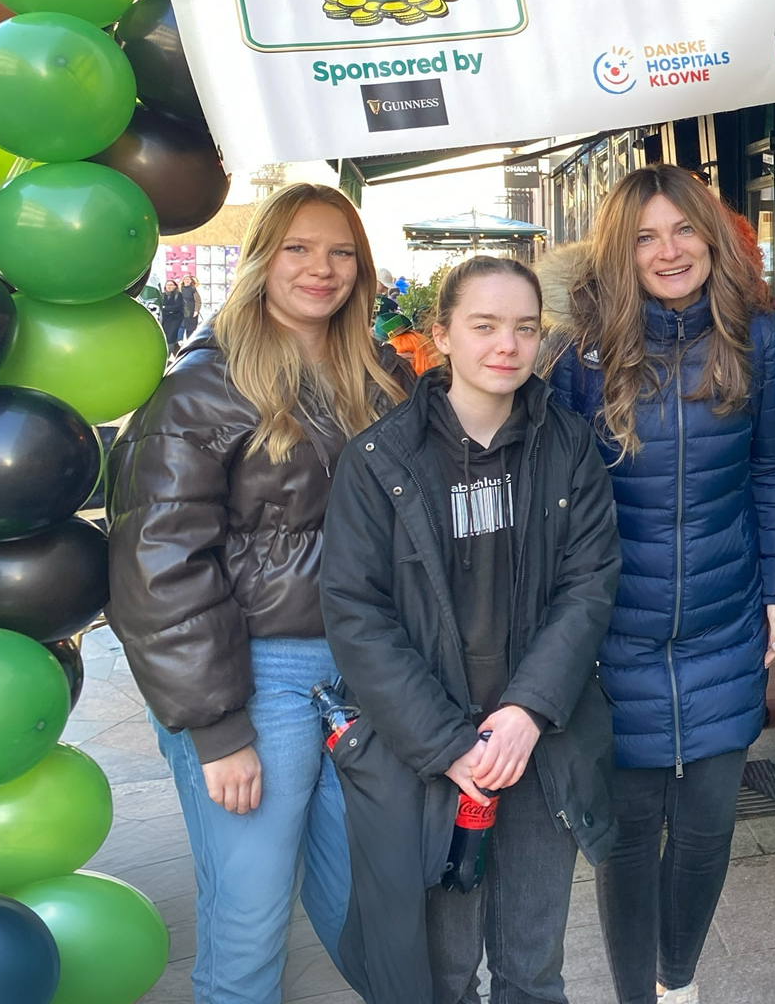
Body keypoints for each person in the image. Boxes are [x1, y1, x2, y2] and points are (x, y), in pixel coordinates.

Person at [105, 183, 411, 1004]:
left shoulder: (381, 377)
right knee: (248, 928)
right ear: (261, 260)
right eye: (298, 249)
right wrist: (215, 727)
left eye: (341, 252)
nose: (322, 268)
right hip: (256, 678)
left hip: (366, 673)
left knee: (376, 915)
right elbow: (158, 562)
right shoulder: (203, 386)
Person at [320, 255, 622, 1004]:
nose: (507, 346)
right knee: (444, 976)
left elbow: (589, 586)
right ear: (441, 333)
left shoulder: (569, 445)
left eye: (525, 328)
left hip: (539, 749)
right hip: (430, 758)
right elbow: (357, 613)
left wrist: (527, 711)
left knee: (532, 970)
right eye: (484, 325)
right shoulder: (378, 459)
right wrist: (450, 744)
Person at [548, 165, 775, 1004]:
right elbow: (558, 500)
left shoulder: (758, 340)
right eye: (645, 237)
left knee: (706, 832)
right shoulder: (581, 356)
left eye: (684, 229)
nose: (669, 251)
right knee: (626, 838)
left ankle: (677, 982)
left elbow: (770, 469)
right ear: (620, 252)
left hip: (724, 623)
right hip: (615, 634)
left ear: (713, 238)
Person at [157, 277, 186, 352]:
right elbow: (160, 306)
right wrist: (168, 309)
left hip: (176, 319)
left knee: (172, 337)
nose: (169, 287)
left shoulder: (179, 295)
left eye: (171, 285)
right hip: (165, 319)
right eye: (167, 285)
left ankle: (171, 352)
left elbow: (178, 306)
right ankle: (173, 352)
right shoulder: (162, 295)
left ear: (175, 286)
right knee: (166, 337)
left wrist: (166, 308)